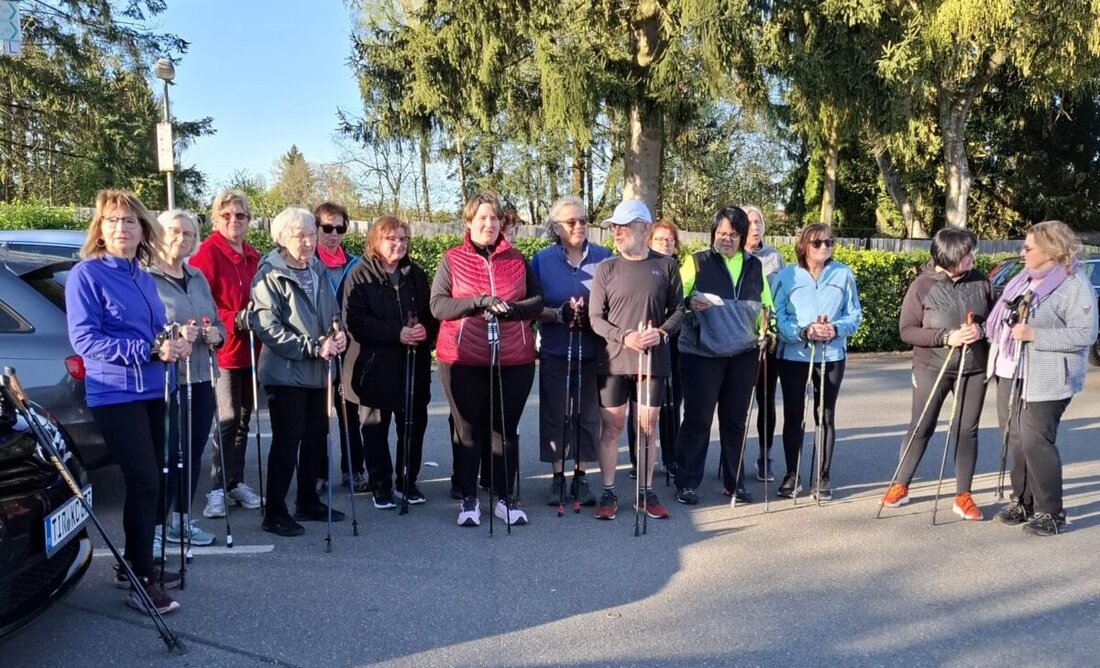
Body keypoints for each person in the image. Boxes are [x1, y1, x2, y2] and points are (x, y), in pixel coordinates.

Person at [66, 189, 189, 614]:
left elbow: (154, 332)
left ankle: (137, 566)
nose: (121, 228)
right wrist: (150, 351)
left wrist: (174, 343)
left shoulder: (142, 274)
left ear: (143, 230)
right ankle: (140, 579)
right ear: (100, 229)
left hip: (155, 389)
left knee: (160, 482)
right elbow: (85, 340)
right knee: (144, 482)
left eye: (130, 221)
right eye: (112, 221)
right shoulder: (86, 275)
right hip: (116, 394)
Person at [431, 191, 543, 527]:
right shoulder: (452, 259)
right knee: (469, 431)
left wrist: (511, 310)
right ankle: (468, 498)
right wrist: (478, 302)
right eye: (482, 218)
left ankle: (505, 497)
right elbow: (438, 305)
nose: (489, 224)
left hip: (513, 358)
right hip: (463, 358)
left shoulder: (517, 259)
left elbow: (537, 302)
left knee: (504, 430)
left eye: (494, 218)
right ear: (469, 221)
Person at [988, 221, 1098, 536]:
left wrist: (1035, 333)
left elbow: (1084, 334)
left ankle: (1051, 512)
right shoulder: (1025, 279)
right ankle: (1022, 501)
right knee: (1015, 438)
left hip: (1050, 376)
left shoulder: (1074, 283)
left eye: (1028, 248)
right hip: (1012, 369)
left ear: (1050, 252)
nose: (1021, 252)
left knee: (1036, 439)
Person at [881, 228, 991, 520]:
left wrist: (982, 330)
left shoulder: (981, 281)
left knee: (966, 430)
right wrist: (946, 337)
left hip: (973, 368)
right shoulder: (922, 286)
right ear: (949, 257)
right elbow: (907, 330)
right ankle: (900, 484)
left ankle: (963, 495)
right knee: (921, 425)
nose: (972, 257)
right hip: (932, 366)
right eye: (966, 254)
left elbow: (994, 320)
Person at [250, 207, 347, 536]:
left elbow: (332, 312)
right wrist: (312, 346)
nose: (308, 242)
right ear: (281, 238)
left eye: (311, 234)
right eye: (300, 235)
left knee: (317, 438)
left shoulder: (316, 267)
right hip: (286, 373)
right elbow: (267, 328)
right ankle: (274, 512)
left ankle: (307, 501)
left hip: (320, 372)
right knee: (287, 442)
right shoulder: (269, 274)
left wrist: (338, 332)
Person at [588, 199, 684, 521]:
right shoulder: (606, 269)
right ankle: (608, 491)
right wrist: (624, 336)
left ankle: (644, 492)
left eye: (625, 225)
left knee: (647, 427)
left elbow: (679, 311)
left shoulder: (667, 266)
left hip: (653, 361)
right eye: (614, 226)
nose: (617, 231)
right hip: (614, 361)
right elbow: (595, 318)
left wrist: (662, 333)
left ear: (645, 228)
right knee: (612, 426)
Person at [674, 206, 774, 505]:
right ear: (713, 235)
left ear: (742, 236)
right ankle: (687, 482)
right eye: (721, 234)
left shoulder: (755, 267)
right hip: (701, 354)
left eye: (733, 234)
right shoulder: (697, 262)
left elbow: (766, 306)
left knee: (735, 421)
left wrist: (769, 331)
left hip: (742, 353)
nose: (727, 239)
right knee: (698, 419)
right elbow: (675, 297)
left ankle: (734, 482)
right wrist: (692, 301)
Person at [344, 216, 436, 509]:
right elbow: (355, 322)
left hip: (412, 366)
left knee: (412, 426)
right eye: (391, 239)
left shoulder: (417, 275)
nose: (398, 244)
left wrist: (425, 330)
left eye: (403, 239)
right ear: (376, 241)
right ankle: (380, 484)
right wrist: (397, 333)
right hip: (374, 367)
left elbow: (431, 314)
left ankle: (407, 481)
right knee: (375, 428)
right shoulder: (359, 275)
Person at [149, 209, 227, 548]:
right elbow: (146, 330)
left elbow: (217, 322)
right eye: (176, 233)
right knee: (166, 456)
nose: (183, 240)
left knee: (193, 453)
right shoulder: (146, 278)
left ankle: (181, 522)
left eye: (190, 234)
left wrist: (215, 335)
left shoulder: (197, 277)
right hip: (167, 380)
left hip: (200, 376)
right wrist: (175, 332)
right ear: (159, 235)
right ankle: (153, 526)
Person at [772, 223, 862, 501]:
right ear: (804, 246)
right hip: (794, 355)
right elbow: (777, 317)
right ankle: (792, 474)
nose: (824, 247)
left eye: (828, 242)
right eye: (817, 243)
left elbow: (854, 314)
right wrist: (803, 331)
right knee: (794, 415)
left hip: (831, 354)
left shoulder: (843, 274)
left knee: (825, 415)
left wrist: (834, 328)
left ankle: (822, 476)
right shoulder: (785, 276)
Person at [531, 196, 611, 508]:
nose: (579, 226)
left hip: (592, 349)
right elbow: (533, 307)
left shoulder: (604, 257)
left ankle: (581, 475)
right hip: (555, 348)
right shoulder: (542, 260)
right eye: (571, 222)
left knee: (587, 415)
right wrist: (558, 312)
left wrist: (592, 316)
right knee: (556, 413)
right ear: (556, 227)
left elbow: (613, 303)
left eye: (583, 220)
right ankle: (557, 478)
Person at [190, 190, 264, 518]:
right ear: (216, 218)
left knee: (245, 419)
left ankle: (235, 482)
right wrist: (232, 319)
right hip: (223, 351)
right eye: (226, 215)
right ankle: (217, 487)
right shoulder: (207, 253)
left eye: (240, 215)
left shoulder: (253, 255)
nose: (234, 221)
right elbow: (199, 301)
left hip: (252, 350)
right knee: (227, 419)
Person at [312, 202, 366, 495]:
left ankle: (354, 469)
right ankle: (318, 473)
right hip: (318, 349)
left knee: (349, 412)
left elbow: (357, 307)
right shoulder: (309, 263)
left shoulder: (354, 264)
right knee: (320, 416)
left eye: (340, 228)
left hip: (347, 348)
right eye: (327, 228)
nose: (334, 235)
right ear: (316, 228)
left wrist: (346, 332)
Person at [627, 219, 683, 483]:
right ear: (649, 241)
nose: (666, 244)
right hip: (645, 342)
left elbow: (679, 307)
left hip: (674, 342)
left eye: (670, 240)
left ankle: (671, 458)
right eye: (660, 239)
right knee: (639, 407)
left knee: (671, 405)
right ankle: (637, 459)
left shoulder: (675, 268)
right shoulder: (643, 266)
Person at [742, 205, 786, 482]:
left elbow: (779, 297)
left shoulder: (774, 257)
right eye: (749, 223)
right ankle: (731, 456)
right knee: (735, 402)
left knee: (766, 400)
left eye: (758, 222)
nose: (755, 227)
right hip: (739, 339)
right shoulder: (731, 254)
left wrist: (771, 329)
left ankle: (764, 456)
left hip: (767, 341)